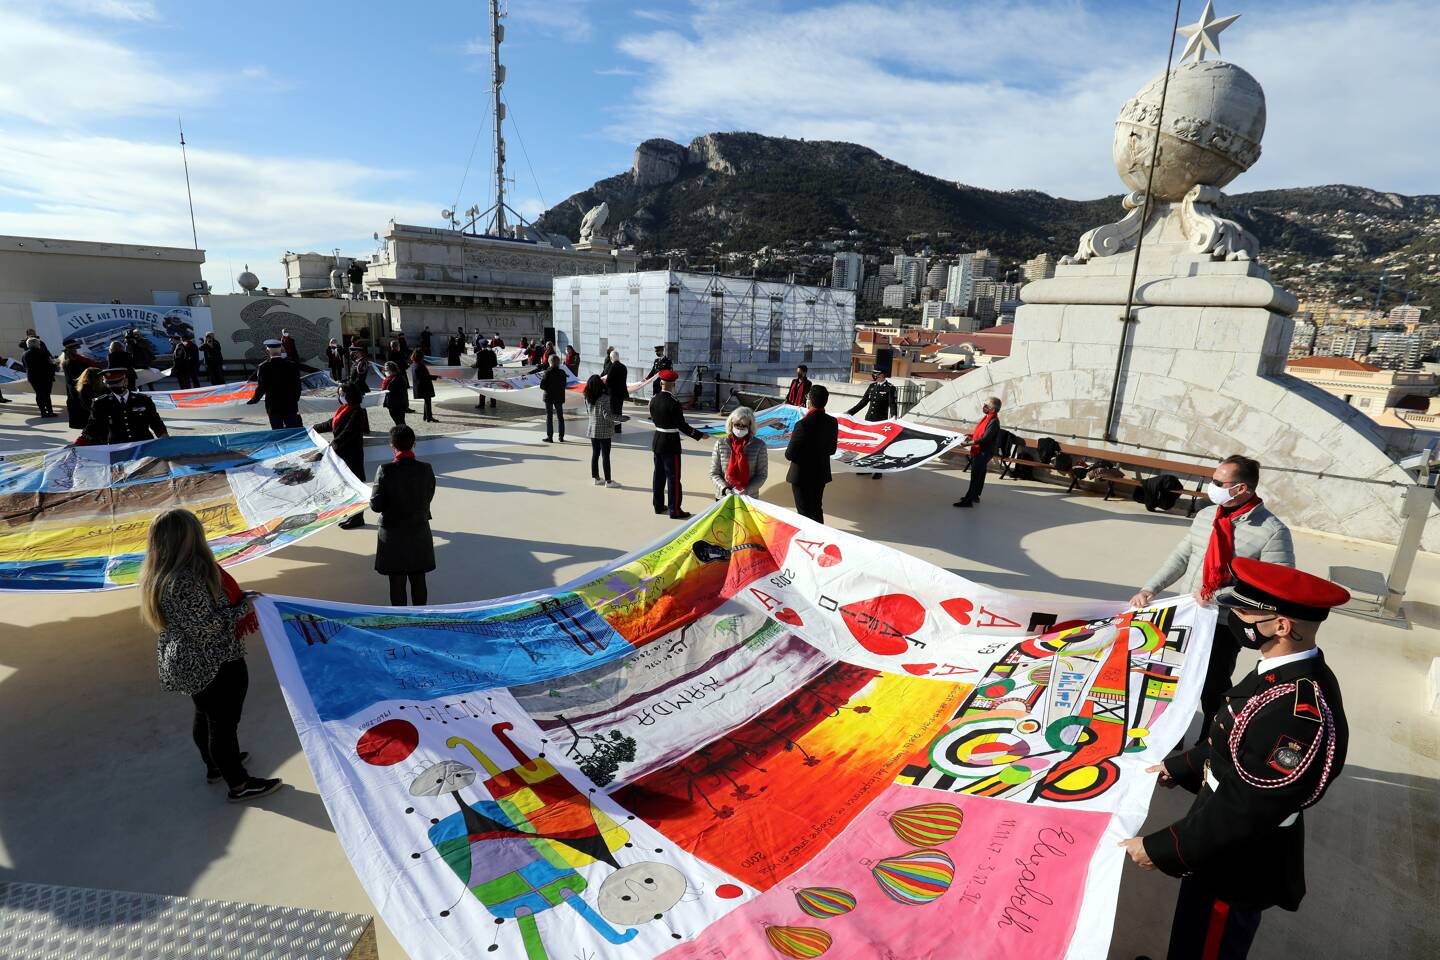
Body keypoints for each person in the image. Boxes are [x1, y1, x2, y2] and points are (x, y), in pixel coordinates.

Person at [1118, 557, 1349, 960]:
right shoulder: (1281, 671)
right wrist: (1178, 766)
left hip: (1238, 860)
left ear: (1281, 626)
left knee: (1210, 942)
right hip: (1219, 840)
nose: (1235, 617)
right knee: (1192, 930)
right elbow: (1236, 740)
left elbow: (1247, 806)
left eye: (1244, 610)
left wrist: (1164, 848)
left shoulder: (1295, 712)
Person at [1129, 454, 1295, 731]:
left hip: (1224, 623)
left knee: (1212, 684)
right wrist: (1150, 588)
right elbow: (1182, 557)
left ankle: (1210, 742)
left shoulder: (1272, 532)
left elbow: (1276, 586)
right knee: (1171, 680)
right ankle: (1165, 736)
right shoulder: (1207, 516)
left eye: (1219, 482)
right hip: (1188, 614)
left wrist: (1217, 596)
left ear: (1241, 489)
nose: (1212, 486)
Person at [139, 508, 282, 803]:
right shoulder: (186, 580)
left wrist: (241, 600)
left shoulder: (162, 575)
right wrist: (245, 606)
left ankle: (216, 766)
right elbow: (209, 628)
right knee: (223, 724)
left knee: (206, 715)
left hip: (190, 661)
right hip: (211, 660)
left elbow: (203, 617)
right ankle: (239, 783)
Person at [370, 425, 436, 606]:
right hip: (419, 530)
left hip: (392, 533)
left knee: (396, 582)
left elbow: (376, 505)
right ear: (414, 444)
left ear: (392, 445)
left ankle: (402, 620)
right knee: (419, 579)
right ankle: (420, 619)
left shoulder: (385, 470)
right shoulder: (426, 469)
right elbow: (428, 497)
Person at [314, 382, 370, 530]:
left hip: (352, 455)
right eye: (339, 394)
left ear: (350, 395)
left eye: (343, 394)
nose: (340, 396)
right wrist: (313, 429)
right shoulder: (343, 409)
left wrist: (332, 445)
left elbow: (348, 433)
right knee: (346, 486)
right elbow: (330, 424)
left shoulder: (357, 412)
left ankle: (358, 518)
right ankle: (351, 515)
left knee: (354, 485)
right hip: (342, 454)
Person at [649, 369, 705, 519]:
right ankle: (675, 510)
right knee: (673, 478)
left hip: (657, 440)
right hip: (670, 443)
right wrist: (699, 435)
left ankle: (658, 505)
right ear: (673, 384)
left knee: (658, 476)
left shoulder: (653, 399)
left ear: (661, 383)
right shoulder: (674, 403)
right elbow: (682, 426)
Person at [786, 383, 840, 522]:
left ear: (810, 400)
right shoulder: (832, 422)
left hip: (801, 476)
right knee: (816, 509)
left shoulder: (802, 424)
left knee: (803, 512)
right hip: (820, 474)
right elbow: (832, 450)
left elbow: (789, 454)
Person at [81, 368, 168, 443]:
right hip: (117, 446)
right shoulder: (101, 403)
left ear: (125, 380)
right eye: (110, 383)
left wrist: (164, 436)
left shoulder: (143, 400)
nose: (114, 385)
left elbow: (155, 422)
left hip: (144, 444)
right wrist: (79, 442)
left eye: (117, 382)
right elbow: (92, 426)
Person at [847, 368, 899, 479]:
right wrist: (850, 412)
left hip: (880, 421)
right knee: (867, 445)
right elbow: (863, 402)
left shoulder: (890, 388)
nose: (874, 375)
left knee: (879, 446)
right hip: (869, 420)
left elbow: (892, 404)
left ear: (883, 374)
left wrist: (894, 416)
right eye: (874, 373)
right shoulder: (872, 386)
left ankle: (878, 470)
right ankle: (866, 468)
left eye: (877, 373)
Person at [709, 406, 769, 499]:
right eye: (737, 425)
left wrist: (747, 490)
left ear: (750, 426)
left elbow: (762, 475)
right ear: (731, 424)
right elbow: (714, 473)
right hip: (724, 496)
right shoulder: (720, 443)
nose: (740, 428)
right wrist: (725, 488)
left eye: (744, 425)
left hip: (749, 497)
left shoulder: (759, 445)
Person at [953, 396, 1002, 508]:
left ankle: (968, 500)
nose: (984, 407)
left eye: (987, 406)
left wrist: (968, 443)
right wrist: (970, 436)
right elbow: (980, 433)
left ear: (993, 409)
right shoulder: (987, 418)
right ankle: (975, 496)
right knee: (980, 474)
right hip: (981, 450)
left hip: (983, 452)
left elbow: (985, 439)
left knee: (976, 475)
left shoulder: (993, 422)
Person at [246, 339, 303, 429]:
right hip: (290, 404)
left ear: (267, 351)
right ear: (281, 350)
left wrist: (254, 400)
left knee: (277, 432)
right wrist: (295, 399)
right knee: (293, 431)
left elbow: (261, 387)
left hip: (273, 406)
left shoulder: (264, 367)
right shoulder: (292, 365)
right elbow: (298, 386)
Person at [584, 374, 624, 487]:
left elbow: (589, 412)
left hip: (592, 429)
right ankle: (608, 481)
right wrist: (621, 419)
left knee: (595, 454)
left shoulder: (587, 397)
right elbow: (607, 415)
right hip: (604, 430)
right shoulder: (605, 398)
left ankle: (596, 478)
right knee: (606, 456)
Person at [62, 339, 99, 428]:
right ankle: (84, 423)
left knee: (74, 404)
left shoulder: (65, 361)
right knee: (82, 404)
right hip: (80, 386)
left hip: (71, 386)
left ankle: (75, 423)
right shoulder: (80, 361)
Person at [21, 337, 58, 417]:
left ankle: (43, 412)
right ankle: (50, 412)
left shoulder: (24, 354)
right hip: (45, 377)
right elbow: (49, 365)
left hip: (32, 377)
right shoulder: (43, 353)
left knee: (39, 394)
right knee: (47, 394)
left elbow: (24, 366)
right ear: (38, 344)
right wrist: (55, 365)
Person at [540, 354, 569, 442]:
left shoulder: (547, 372)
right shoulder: (562, 373)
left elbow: (542, 386)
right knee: (560, 417)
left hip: (549, 397)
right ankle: (561, 437)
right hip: (559, 397)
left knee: (549, 417)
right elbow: (564, 385)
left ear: (550, 363)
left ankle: (550, 437)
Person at [603, 348, 629, 434]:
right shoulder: (623, 367)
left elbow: (608, 380)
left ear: (611, 358)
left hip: (613, 393)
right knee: (619, 410)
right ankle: (618, 428)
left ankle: (614, 429)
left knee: (613, 411)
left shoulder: (612, 367)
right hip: (621, 393)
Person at [410, 349, 439, 423]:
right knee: (428, 401)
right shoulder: (420, 365)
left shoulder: (414, 364)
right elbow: (425, 376)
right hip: (424, 386)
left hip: (420, 386)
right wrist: (436, 376)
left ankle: (426, 416)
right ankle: (429, 417)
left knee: (426, 401)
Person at [380, 360, 409, 426]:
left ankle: (402, 433)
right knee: (400, 421)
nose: (385, 372)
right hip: (397, 404)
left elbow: (390, 391)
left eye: (386, 370)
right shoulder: (394, 377)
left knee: (399, 421)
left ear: (391, 370)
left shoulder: (395, 379)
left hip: (396, 405)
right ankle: (402, 433)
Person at [472, 339, 498, 410]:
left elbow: (477, 364)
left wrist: (472, 366)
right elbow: (495, 364)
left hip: (482, 373)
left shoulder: (479, 353)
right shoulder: (492, 353)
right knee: (491, 388)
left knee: (482, 388)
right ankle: (493, 403)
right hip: (489, 372)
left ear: (480, 346)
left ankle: (482, 404)